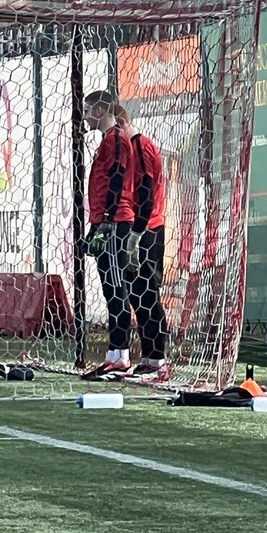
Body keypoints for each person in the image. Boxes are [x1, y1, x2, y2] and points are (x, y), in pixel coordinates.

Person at [82, 90, 138, 381]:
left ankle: (121, 356)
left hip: (116, 222)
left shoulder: (116, 139)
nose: (85, 117)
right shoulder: (108, 140)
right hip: (106, 221)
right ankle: (114, 355)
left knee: (117, 289)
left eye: (87, 111)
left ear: (100, 111)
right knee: (110, 289)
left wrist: (105, 219)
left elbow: (117, 178)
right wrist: (95, 227)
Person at [122, 117, 169, 381]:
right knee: (138, 294)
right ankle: (149, 359)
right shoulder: (133, 147)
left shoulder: (140, 146)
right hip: (142, 227)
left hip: (148, 229)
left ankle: (158, 361)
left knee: (148, 293)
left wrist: (137, 233)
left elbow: (146, 193)